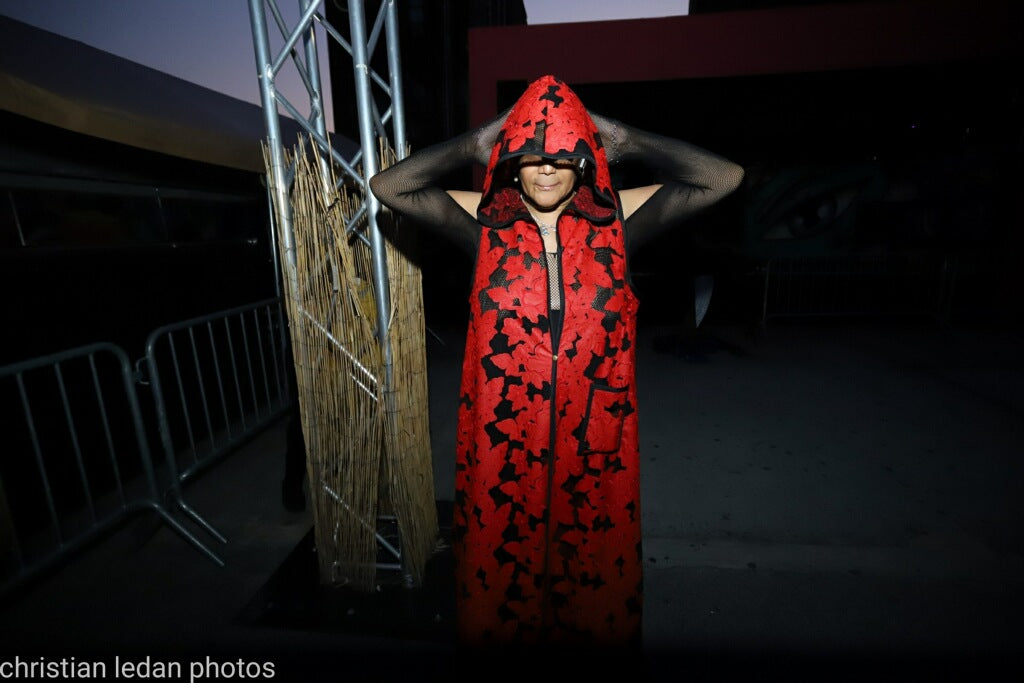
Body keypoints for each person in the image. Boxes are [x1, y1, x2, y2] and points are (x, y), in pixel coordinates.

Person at [369, 74, 744, 649]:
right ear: (511, 161)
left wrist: (626, 138)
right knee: (501, 582)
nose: (546, 170)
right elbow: (391, 186)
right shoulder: (484, 221)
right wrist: (476, 142)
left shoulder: (616, 219)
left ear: (585, 160)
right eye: (531, 155)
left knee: (592, 584)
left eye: (562, 156)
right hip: (503, 444)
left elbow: (723, 178)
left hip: (595, 441)